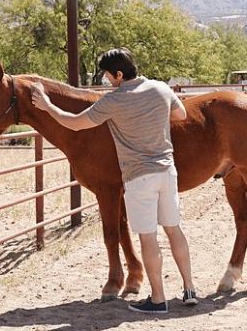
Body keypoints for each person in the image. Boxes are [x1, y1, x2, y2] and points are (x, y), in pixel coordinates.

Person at [31, 47, 197, 314]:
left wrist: (47, 105)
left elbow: (74, 123)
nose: (106, 80)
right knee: (174, 230)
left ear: (119, 74)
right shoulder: (160, 88)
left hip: (139, 177)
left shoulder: (113, 101)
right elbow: (181, 115)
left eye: (107, 76)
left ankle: (158, 300)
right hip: (167, 171)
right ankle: (190, 289)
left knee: (148, 238)